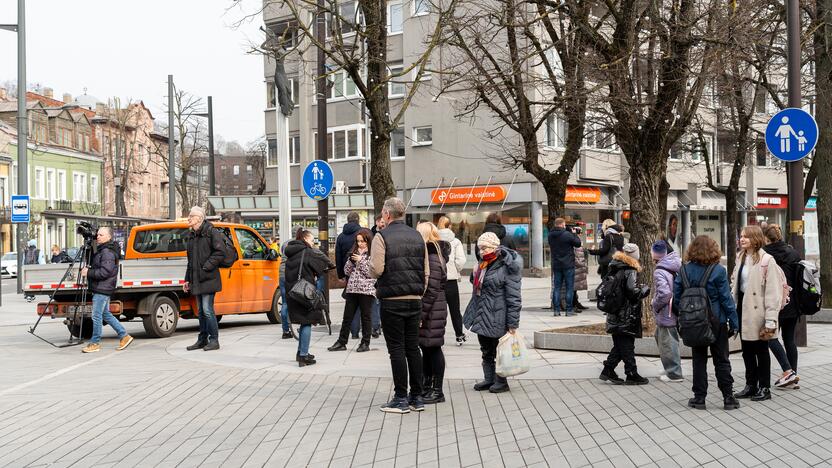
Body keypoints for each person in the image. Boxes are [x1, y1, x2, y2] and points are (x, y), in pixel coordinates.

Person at [370, 197, 429, 413]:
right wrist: (419, 291)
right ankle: (417, 397)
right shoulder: (417, 236)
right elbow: (426, 270)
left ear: (386, 214)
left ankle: (401, 397)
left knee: (396, 349)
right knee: (413, 348)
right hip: (414, 299)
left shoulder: (381, 237)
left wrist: (368, 268)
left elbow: (376, 269)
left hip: (392, 299)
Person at [673, 235, 740, 410]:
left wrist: (686, 317)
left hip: (694, 323)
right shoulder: (718, 270)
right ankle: (728, 398)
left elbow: (677, 299)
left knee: (699, 360)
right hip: (716, 321)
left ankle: (699, 398)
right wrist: (734, 322)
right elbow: (726, 299)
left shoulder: (683, 270)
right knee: (721, 360)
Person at [463, 232, 522, 394]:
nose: (481, 252)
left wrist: (513, 323)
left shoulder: (507, 266)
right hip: (482, 313)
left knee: (500, 350)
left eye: (485, 248)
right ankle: (489, 379)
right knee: (486, 349)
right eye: (479, 248)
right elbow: (475, 285)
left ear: (495, 247)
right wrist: (475, 271)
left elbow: (514, 297)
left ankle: (501, 381)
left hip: (498, 315)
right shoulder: (482, 264)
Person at [732, 225, 785, 402]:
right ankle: (750, 385)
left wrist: (771, 320)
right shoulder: (740, 257)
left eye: (746, 236)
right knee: (746, 350)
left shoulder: (767, 260)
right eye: (741, 236)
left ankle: (764, 387)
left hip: (759, 311)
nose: (742, 239)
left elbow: (773, 292)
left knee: (761, 350)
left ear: (755, 238)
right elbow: (735, 281)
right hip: (742, 308)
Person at [599, 244, 650, 385]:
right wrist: (644, 289)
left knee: (620, 345)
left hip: (614, 313)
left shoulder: (614, 266)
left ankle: (608, 369)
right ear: (635, 256)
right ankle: (631, 373)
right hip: (625, 315)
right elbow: (632, 292)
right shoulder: (630, 270)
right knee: (627, 345)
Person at [285, 229, 335, 367]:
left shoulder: (290, 252)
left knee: (302, 322)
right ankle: (303, 356)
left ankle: (300, 352)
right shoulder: (308, 253)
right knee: (306, 322)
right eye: (312, 240)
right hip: (305, 294)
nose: (314, 243)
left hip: (293, 292)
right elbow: (325, 266)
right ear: (306, 239)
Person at [80, 227, 133, 353]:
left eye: (101, 235)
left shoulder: (107, 252)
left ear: (109, 237)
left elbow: (105, 272)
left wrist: (88, 272)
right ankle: (124, 336)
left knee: (96, 316)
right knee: (106, 314)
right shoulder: (103, 250)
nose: (97, 237)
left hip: (102, 288)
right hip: (102, 287)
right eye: (97, 234)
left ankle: (95, 343)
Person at [762, 224, 802, 389]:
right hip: (792, 303)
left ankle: (788, 372)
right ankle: (792, 374)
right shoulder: (793, 252)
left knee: (770, 338)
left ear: (766, 238)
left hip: (775, 303)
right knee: (789, 340)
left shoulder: (766, 255)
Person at [416, 222, 450, 404]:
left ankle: (437, 391)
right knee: (426, 347)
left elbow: (430, 289)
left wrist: (420, 314)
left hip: (432, 309)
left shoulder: (433, 256)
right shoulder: (432, 254)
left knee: (433, 348)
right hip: (433, 307)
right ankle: (427, 387)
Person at [183, 206, 226, 352]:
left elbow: (220, 252)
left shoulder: (211, 232)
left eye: (191, 216)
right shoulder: (192, 235)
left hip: (209, 278)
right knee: (201, 311)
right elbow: (190, 261)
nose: (188, 218)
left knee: (208, 310)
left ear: (199, 219)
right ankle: (202, 340)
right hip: (197, 279)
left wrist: (206, 267)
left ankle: (214, 340)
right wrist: (187, 279)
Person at [328, 228, 376, 353]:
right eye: (358, 241)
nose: (360, 244)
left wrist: (361, 261)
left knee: (366, 317)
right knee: (347, 317)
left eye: (363, 241)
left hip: (366, 290)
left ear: (368, 241)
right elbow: (347, 271)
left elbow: (371, 273)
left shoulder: (373, 254)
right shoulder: (354, 251)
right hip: (352, 288)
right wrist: (350, 261)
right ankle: (341, 342)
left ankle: (365, 342)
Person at [651, 240, 683, 383]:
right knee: (661, 337)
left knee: (668, 342)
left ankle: (674, 373)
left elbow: (664, 293)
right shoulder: (675, 264)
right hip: (675, 309)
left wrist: (655, 304)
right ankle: (669, 366)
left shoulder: (660, 270)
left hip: (666, 311)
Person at [437, 216, 468, 345]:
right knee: (455, 310)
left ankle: (438, 335)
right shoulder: (455, 241)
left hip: (437, 279)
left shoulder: (434, 240)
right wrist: (456, 270)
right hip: (451, 280)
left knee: (438, 310)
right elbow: (461, 260)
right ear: (450, 226)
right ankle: (459, 335)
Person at [547, 218, 582, 316]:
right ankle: (569, 310)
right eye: (564, 224)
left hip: (556, 264)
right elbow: (578, 243)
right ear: (562, 224)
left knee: (557, 288)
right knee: (569, 287)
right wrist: (574, 234)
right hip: (568, 264)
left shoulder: (550, 235)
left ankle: (556, 310)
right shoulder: (567, 235)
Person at [278, 240, 293, 339]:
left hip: (281, 274)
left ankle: (285, 330)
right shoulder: (297, 244)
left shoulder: (285, 243)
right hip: (290, 273)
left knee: (284, 303)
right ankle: (303, 326)